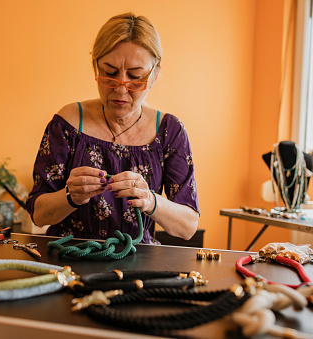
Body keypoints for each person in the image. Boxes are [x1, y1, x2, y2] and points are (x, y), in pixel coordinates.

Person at [26, 12, 199, 244]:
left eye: (136, 77)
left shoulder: (169, 131)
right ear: (95, 67)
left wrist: (150, 201)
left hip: (139, 263)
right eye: (109, 73)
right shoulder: (67, 123)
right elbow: (39, 214)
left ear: (155, 75)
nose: (120, 89)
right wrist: (70, 197)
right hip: (70, 258)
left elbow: (188, 226)